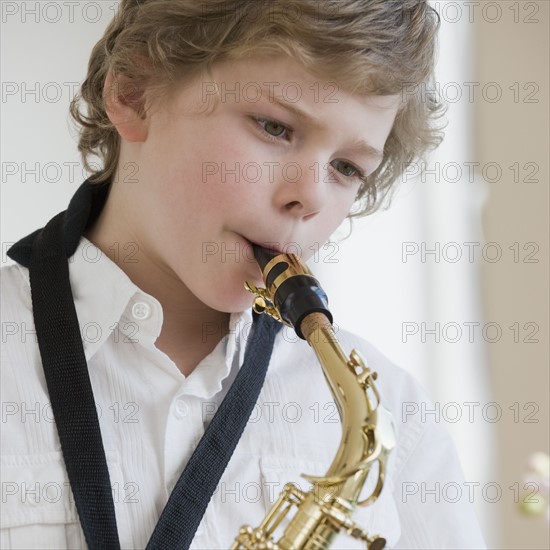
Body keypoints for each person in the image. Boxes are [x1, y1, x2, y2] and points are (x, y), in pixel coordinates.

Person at [1, 0, 487, 548]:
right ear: (134, 90)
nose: (310, 195)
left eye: (347, 168)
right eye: (275, 127)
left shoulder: (395, 416)